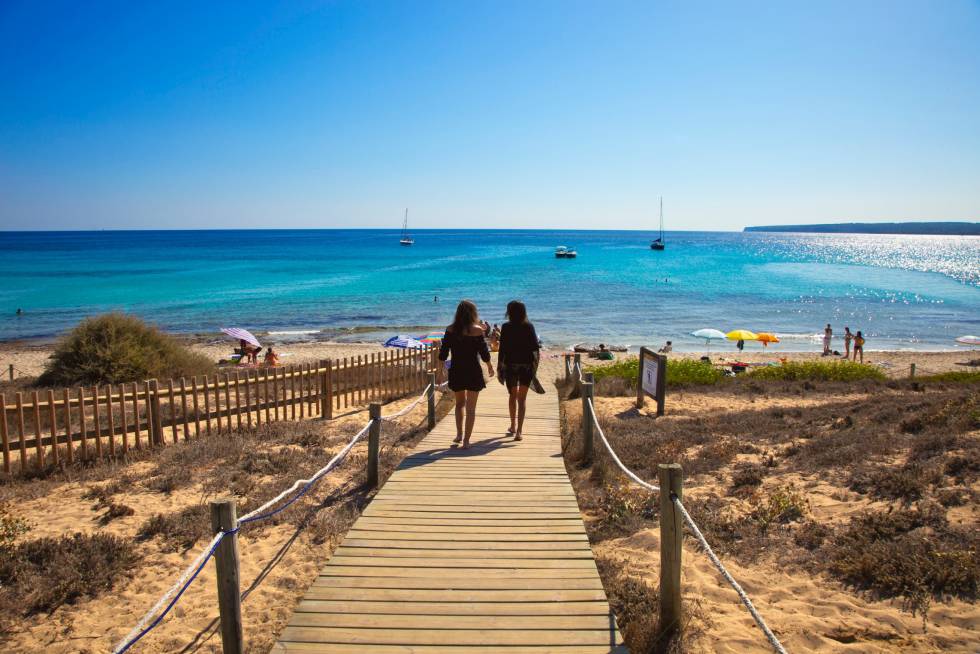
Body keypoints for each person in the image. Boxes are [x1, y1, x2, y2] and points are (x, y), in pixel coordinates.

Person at [438, 300, 494, 449]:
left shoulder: (450, 329)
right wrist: (489, 366)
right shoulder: (477, 330)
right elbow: (483, 352)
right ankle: (466, 441)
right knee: (471, 408)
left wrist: (439, 372)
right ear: (473, 313)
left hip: (457, 370)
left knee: (459, 404)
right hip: (473, 371)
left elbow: (443, 353)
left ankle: (459, 434)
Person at [497, 300, 539, 441]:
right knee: (522, 399)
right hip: (526, 366)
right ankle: (519, 431)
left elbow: (502, 349)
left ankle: (513, 425)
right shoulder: (529, 326)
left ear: (509, 312)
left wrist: (499, 367)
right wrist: (535, 367)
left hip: (511, 366)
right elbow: (535, 348)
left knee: (512, 396)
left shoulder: (506, 327)